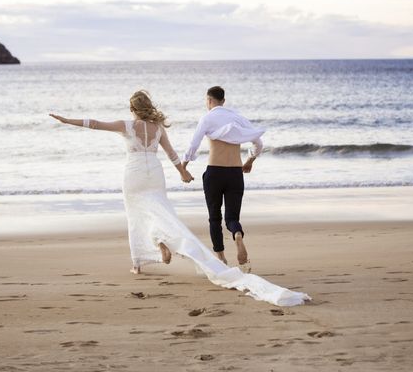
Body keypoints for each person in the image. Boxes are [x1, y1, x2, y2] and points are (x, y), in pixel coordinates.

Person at [49, 90, 310, 307]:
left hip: (134, 174)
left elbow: (95, 124)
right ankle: (162, 240)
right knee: (161, 211)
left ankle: (141, 261)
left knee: (138, 215)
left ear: (133, 108)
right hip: (156, 174)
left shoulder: (127, 126)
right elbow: (172, 153)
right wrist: (182, 171)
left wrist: (66, 120)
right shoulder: (158, 127)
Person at [182, 86, 264, 272]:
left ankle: (221, 259)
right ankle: (237, 234)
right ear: (223, 101)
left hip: (215, 173)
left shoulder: (207, 118)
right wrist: (250, 160)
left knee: (214, 218)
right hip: (235, 172)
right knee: (232, 217)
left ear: (209, 100)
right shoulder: (238, 117)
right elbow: (258, 142)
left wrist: (184, 165)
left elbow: (193, 144)